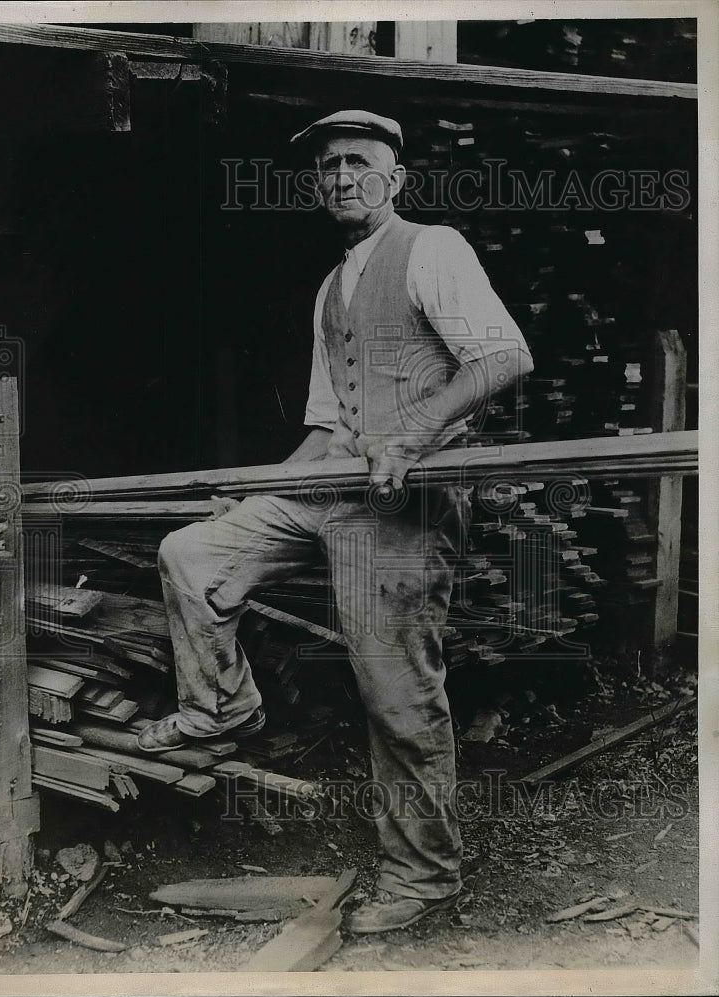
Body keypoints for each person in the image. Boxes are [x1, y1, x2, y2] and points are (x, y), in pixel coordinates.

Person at [138, 110, 533, 933]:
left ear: (396, 177)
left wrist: (412, 435)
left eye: (357, 162)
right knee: (195, 552)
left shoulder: (433, 248)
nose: (340, 177)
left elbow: (503, 357)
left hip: (402, 506)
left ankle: (423, 873)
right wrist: (255, 493)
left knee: (395, 693)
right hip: (331, 487)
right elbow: (325, 427)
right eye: (326, 169)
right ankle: (224, 708)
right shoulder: (332, 288)